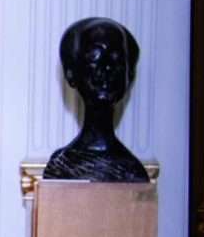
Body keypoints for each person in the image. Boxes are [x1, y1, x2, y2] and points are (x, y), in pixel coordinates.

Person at [44, 17, 149, 182]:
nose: (107, 68)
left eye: (116, 59)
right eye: (94, 57)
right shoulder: (61, 166)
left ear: (128, 76)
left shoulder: (132, 171)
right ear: (71, 73)